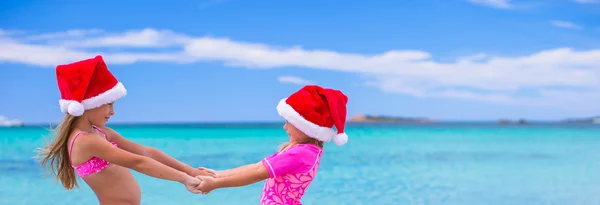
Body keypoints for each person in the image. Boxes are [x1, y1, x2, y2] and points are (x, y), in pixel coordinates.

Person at [36, 55, 214, 205]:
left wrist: (190, 171)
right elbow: (138, 162)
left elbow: (146, 152)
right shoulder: (85, 141)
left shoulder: (101, 132)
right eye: (108, 104)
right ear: (90, 105)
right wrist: (183, 179)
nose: (112, 112)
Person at [196, 85, 349, 205]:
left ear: (304, 126)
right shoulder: (305, 150)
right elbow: (256, 166)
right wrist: (218, 174)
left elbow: (257, 173)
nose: (285, 127)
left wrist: (216, 184)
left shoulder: (300, 154)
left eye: (288, 122)